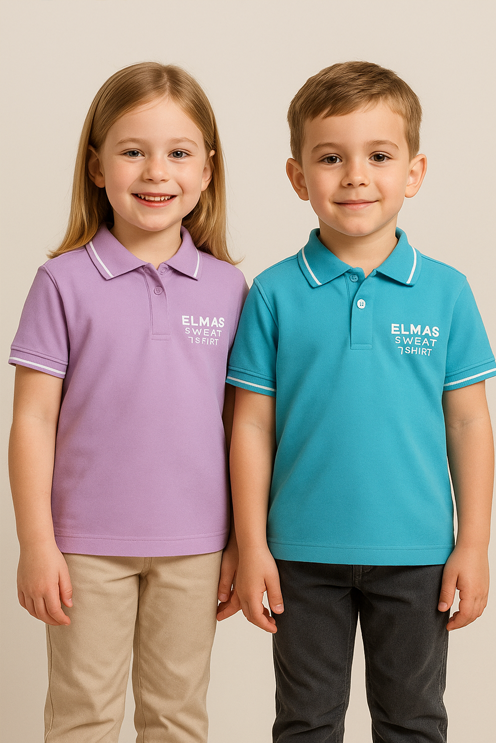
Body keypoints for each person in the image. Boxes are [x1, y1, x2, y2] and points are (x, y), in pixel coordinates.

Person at [227, 61, 495, 742]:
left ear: (414, 172)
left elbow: (469, 422)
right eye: (330, 158)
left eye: (378, 156)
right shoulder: (273, 293)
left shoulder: (447, 292)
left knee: (413, 722)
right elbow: (250, 427)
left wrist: (473, 543)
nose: (355, 176)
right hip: (299, 555)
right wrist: (252, 545)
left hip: (419, 555)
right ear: (298, 178)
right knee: (306, 723)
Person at [8, 61, 246, 743]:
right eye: (133, 151)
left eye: (179, 153)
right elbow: (32, 420)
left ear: (207, 170)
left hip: (197, 547)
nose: (156, 172)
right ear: (96, 166)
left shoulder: (230, 289)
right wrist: (36, 543)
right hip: (84, 546)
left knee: (177, 718)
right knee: (82, 716)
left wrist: (240, 541)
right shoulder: (62, 282)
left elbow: (242, 426)